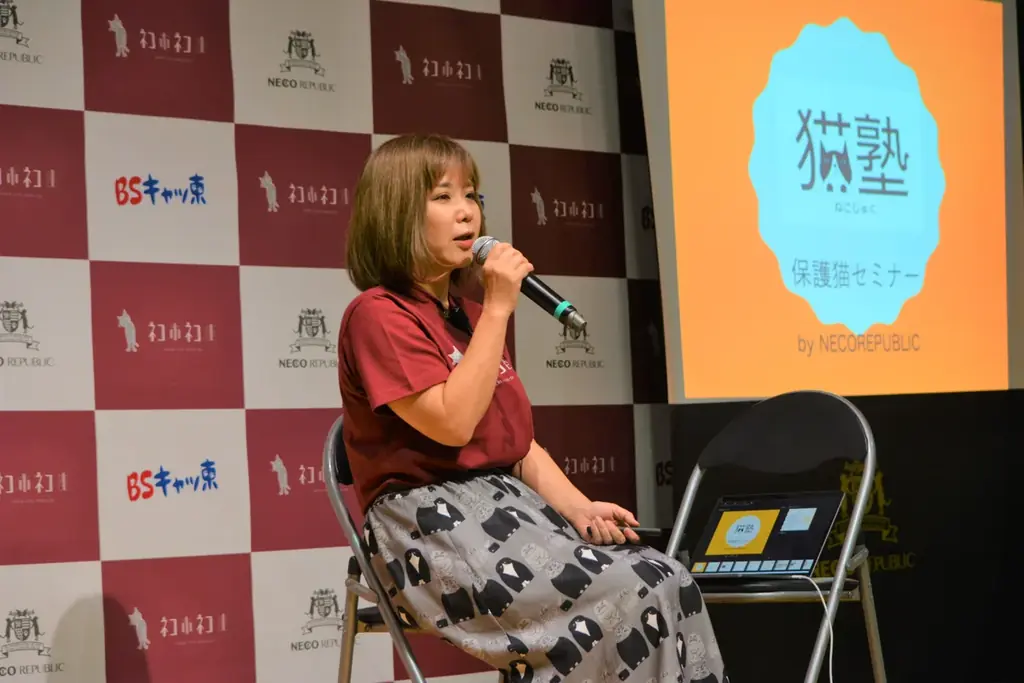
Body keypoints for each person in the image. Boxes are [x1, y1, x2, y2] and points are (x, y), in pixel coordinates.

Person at [337, 133, 727, 683]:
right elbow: (453, 424)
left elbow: (514, 444)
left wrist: (579, 507)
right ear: (395, 212)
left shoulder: (468, 317)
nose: (467, 211)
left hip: (507, 513)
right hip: (428, 530)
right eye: (443, 197)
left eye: (471, 195)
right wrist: (499, 307)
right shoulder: (378, 315)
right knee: (627, 593)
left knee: (668, 578)